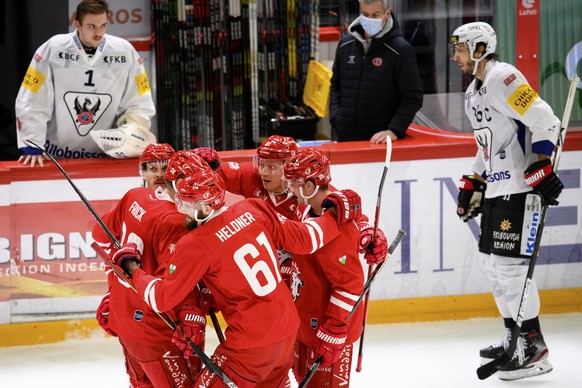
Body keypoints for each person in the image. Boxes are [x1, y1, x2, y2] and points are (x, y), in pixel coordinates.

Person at [111, 168, 362, 387]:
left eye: (187, 204)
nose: (181, 210)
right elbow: (305, 239)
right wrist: (333, 214)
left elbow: (161, 297)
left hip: (249, 348)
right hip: (286, 333)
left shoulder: (195, 243)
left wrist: (132, 269)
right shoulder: (253, 208)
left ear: (207, 206)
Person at [450, 21, 563, 381]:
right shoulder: (473, 92)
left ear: (480, 48)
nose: (456, 57)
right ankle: (513, 337)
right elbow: (488, 146)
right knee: (492, 266)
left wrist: (541, 161)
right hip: (498, 189)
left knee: (511, 270)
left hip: (520, 188)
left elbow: (546, 121)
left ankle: (533, 347)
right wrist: (473, 179)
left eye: (461, 49)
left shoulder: (505, 78)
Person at [92, 151, 211, 386]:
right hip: (159, 331)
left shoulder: (134, 196)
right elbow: (172, 285)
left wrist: (113, 291)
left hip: (125, 321)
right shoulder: (177, 220)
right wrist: (191, 311)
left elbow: (100, 235)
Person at [282, 148, 388, 387]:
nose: (289, 191)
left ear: (309, 186)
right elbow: (344, 203)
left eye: (293, 184)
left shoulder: (333, 233)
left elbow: (349, 287)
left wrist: (334, 330)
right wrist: (363, 227)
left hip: (326, 330)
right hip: (306, 321)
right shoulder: (309, 207)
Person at [15, 0, 156, 167]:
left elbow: (140, 102)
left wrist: (130, 133)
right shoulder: (54, 48)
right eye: (91, 26)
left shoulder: (125, 52)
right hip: (55, 157)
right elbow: (31, 98)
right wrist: (33, 144)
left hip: (104, 158)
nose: (98, 33)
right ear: (78, 25)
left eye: (103, 26)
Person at [329, 0, 423, 143]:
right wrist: (336, 118)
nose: (370, 20)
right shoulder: (345, 45)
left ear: (387, 14)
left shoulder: (400, 49)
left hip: (381, 143)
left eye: (375, 15)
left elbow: (412, 97)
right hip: (346, 138)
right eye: (365, 14)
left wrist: (394, 130)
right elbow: (335, 86)